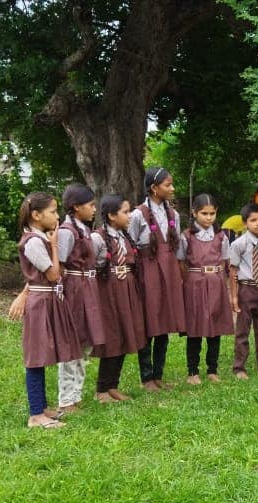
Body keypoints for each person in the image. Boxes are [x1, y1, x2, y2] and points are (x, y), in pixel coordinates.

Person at [14, 191, 80, 429]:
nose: (57, 216)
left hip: (48, 300)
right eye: (52, 211)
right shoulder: (33, 241)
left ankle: (41, 407)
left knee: (42, 355)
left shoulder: (39, 238)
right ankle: (35, 415)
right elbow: (53, 274)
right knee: (36, 357)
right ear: (36, 215)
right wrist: (53, 246)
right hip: (40, 302)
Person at [129, 167, 187, 392]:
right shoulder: (137, 215)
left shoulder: (174, 215)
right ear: (154, 188)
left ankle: (158, 375)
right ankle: (146, 377)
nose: (172, 188)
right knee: (148, 319)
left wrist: (180, 273)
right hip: (148, 270)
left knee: (165, 318)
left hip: (169, 269)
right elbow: (131, 244)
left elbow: (177, 246)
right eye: (167, 185)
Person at [53, 184, 105, 414]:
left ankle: (76, 395)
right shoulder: (67, 232)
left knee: (85, 343)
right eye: (90, 205)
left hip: (87, 289)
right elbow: (59, 265)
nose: (94, 209)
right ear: (75, 206)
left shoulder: (83, 229)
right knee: (71, 344)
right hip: (74, 290)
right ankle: (66, 400)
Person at [90, 195, 144, 404]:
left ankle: (113, 386)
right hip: (108, 293)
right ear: (112, 216)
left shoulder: (124, 236)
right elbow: (89, 267)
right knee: (111, 337)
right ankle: (102, 389)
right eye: (125, 212)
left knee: (123, 334)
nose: (129, 216)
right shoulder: (97, 238)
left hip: (126, 290)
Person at [179, 193, 232, 384]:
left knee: (215, 328)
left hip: (216, 282)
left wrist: (218, 279)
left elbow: (225, 261)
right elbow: (180, 262)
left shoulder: (221, 236)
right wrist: (191, 280)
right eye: (204, 213)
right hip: (194, 283)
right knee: (195, 328)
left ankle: (212, 369)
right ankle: (192, 372)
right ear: (194, 213)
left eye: (212, 213)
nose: (209, 218)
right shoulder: (187, 236)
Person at [229, 203, 258, 380]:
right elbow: (233, 271)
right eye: (253, 220)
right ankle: (239, 367)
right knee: (243, 330)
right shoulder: (238, 244)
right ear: (245, 223)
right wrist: (234, 296)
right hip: (246, 289)